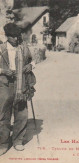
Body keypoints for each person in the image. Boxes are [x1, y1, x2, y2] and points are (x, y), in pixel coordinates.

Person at [0, 23, 36, 156]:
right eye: (13, 36)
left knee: (21, 113)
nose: (16, 38)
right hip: (5, 84)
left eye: (17, 36)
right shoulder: (1, 48)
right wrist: (3, 71)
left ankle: (18, 141)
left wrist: (31, 66)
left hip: (22, 84)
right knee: (3, 114)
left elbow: (33, 61)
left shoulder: (24, 48)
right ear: (7, 36)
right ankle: (3, 144)